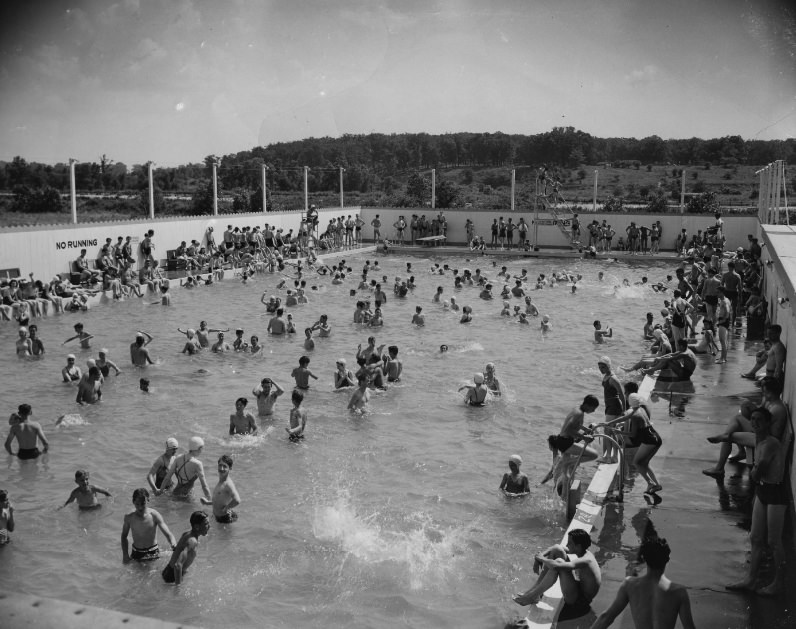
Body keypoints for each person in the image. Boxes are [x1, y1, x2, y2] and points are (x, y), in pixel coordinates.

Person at [726, 406, 787, 595]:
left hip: (775, 493)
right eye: (752, 419)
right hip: (763, 490)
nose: (755, 422)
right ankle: (751, 580)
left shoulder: (769, 444)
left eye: (759, 419)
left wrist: (755, 470)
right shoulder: (758, 441)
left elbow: (756, 473)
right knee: (755, 537)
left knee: (774, 541)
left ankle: (779, 583)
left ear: (768, 423)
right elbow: (755, 472)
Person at [590, 537, 696, 629]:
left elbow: (606, 618)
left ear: (644, 559)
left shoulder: (630, 585)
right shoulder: (679, 592)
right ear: (667, 559)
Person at [513, 528, 601, 616]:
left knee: (558, 562)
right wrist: (540, 556)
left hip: (579, 602)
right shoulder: (583, 551)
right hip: (578, 589)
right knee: (557, 550)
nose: (567, 545)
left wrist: (541, 559)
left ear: (578, 546)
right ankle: (536, 591)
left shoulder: (586, 560)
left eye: (570, 543)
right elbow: (555, 547)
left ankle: (531, 596)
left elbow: (556, 566)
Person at [605, 393, 662, 495]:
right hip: (655, 438)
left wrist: (619, 432)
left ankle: (650, 483)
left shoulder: (635, 415)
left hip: (649, 441)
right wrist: (610, 423)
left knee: (637, 463)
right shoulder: (640, 410)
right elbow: (626, 418)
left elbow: (632, 434)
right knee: (644, 464)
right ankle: (656, 484)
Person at [542, 395, 600, 487]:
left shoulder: (576, 409)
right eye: (593, 408)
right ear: (588, 405)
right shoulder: (579, 414)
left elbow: (575, 425)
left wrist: (585, 429)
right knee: (594, 455)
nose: (593, 411)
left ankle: (564, 493)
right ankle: (568, 462)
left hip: (563, 440)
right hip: (566, 442)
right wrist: (584, 437)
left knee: (568, 474)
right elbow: (569, 429)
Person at [121, 488, 177, 563]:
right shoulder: (129, 517)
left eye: (143, 503)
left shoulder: (154, 515)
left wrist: (173, 544)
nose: (140, 507)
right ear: (133, 502)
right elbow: (124, 536)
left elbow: (168, 534)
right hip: (137, 552)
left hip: (153, 552)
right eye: (137, 504)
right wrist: (125, 555)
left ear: (148, 500)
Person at [161, 511, 211, 584]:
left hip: (168, 571)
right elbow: (177, 565)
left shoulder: (187, 533)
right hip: (172, 577)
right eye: (206, 524)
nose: (209, 526)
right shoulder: (192, 541)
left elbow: (178, 550)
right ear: (197, 527)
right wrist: (178, 588)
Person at [160, 436, 212, 502]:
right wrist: (209, 500)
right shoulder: (198, 464)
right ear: (199, 448)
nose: (202, 450)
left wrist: (160, 491)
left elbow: (167, 477)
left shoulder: (178, 458)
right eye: (202, 448)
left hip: (176, 492)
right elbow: (204, 485)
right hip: (187, 496)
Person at [597, 356, 625, 463]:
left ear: (608, 366)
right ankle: (612, 457)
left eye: (603, 367)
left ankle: (609, 457)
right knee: (612, 432)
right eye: (600, 367)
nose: (601, 369)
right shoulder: (606, 376)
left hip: (614, 406)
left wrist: (624, 411)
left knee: (608, 431)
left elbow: (621, 395)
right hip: (609, 406)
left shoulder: (613, 378)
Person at [200, 454, 241, 523]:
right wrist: (207, 503)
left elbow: (237, 500)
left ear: (230, 468)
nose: (221, 468)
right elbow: (220, 501)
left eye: (225, 466)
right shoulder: (221, 482)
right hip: (218, 517)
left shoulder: (228, 484)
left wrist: (226, 509)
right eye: (220, 465)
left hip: (224, 518)